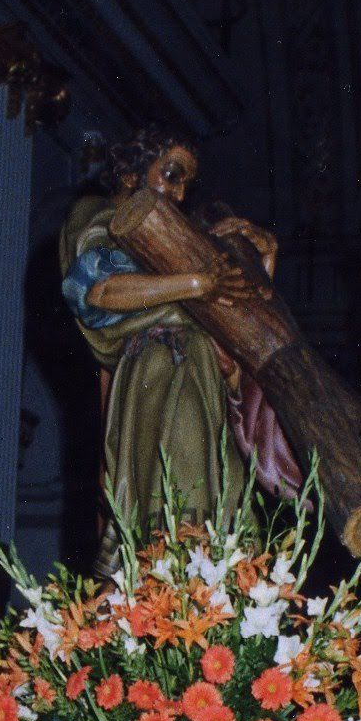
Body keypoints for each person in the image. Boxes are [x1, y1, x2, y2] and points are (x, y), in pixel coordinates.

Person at [59, 128, 264, 541]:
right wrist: (196, 285)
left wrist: (264, 260)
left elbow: (247, 323)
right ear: (131, 174)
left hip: (204, 374)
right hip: (155, 367)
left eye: (187, 184)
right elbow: (97, 292)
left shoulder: (182, 239)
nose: (181, 194)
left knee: (221, 501)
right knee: (174, 501)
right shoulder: (99, 217)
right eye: (171, 175)